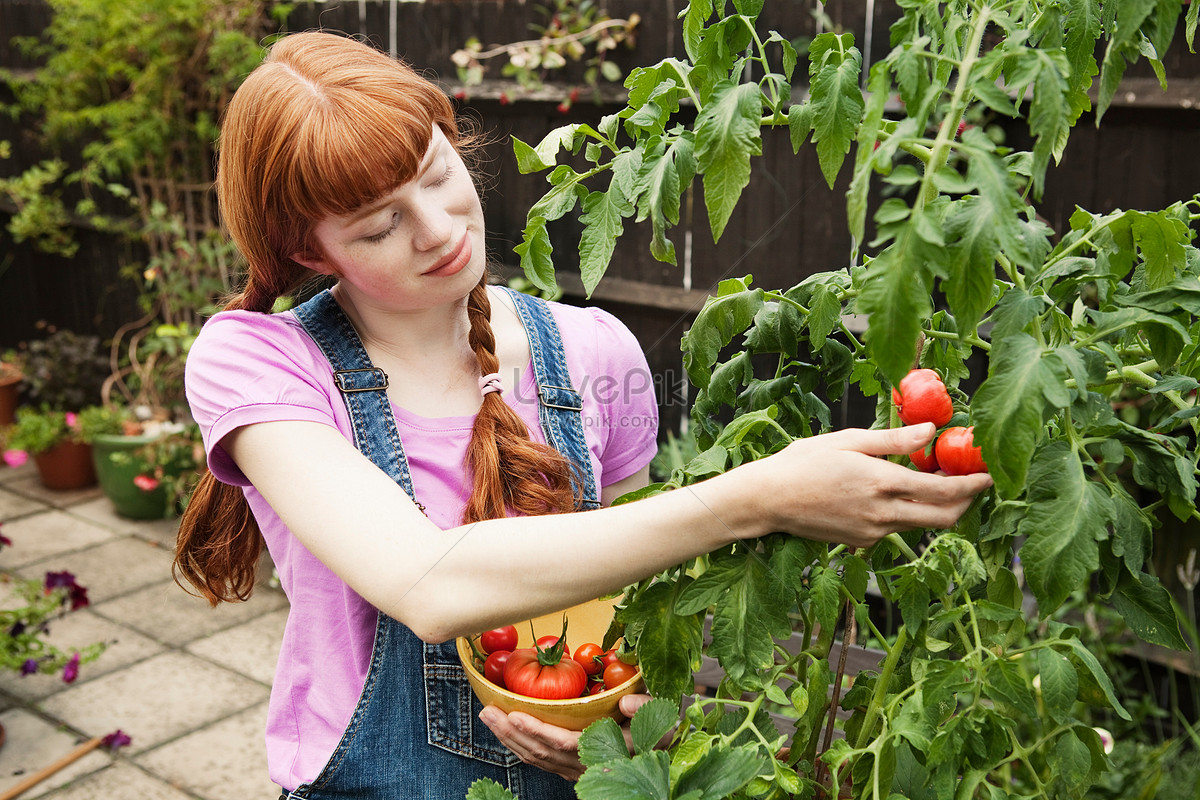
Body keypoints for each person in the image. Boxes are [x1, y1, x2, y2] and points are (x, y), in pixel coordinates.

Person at [174, 30, 992, 800]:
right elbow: (422, 582)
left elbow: (636, 593)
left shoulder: (595, 349)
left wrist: (620, 719)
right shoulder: (259, 364)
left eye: (434, 174)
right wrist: (760, 497)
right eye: (381, 225)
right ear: (311, 253)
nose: (439, 230)